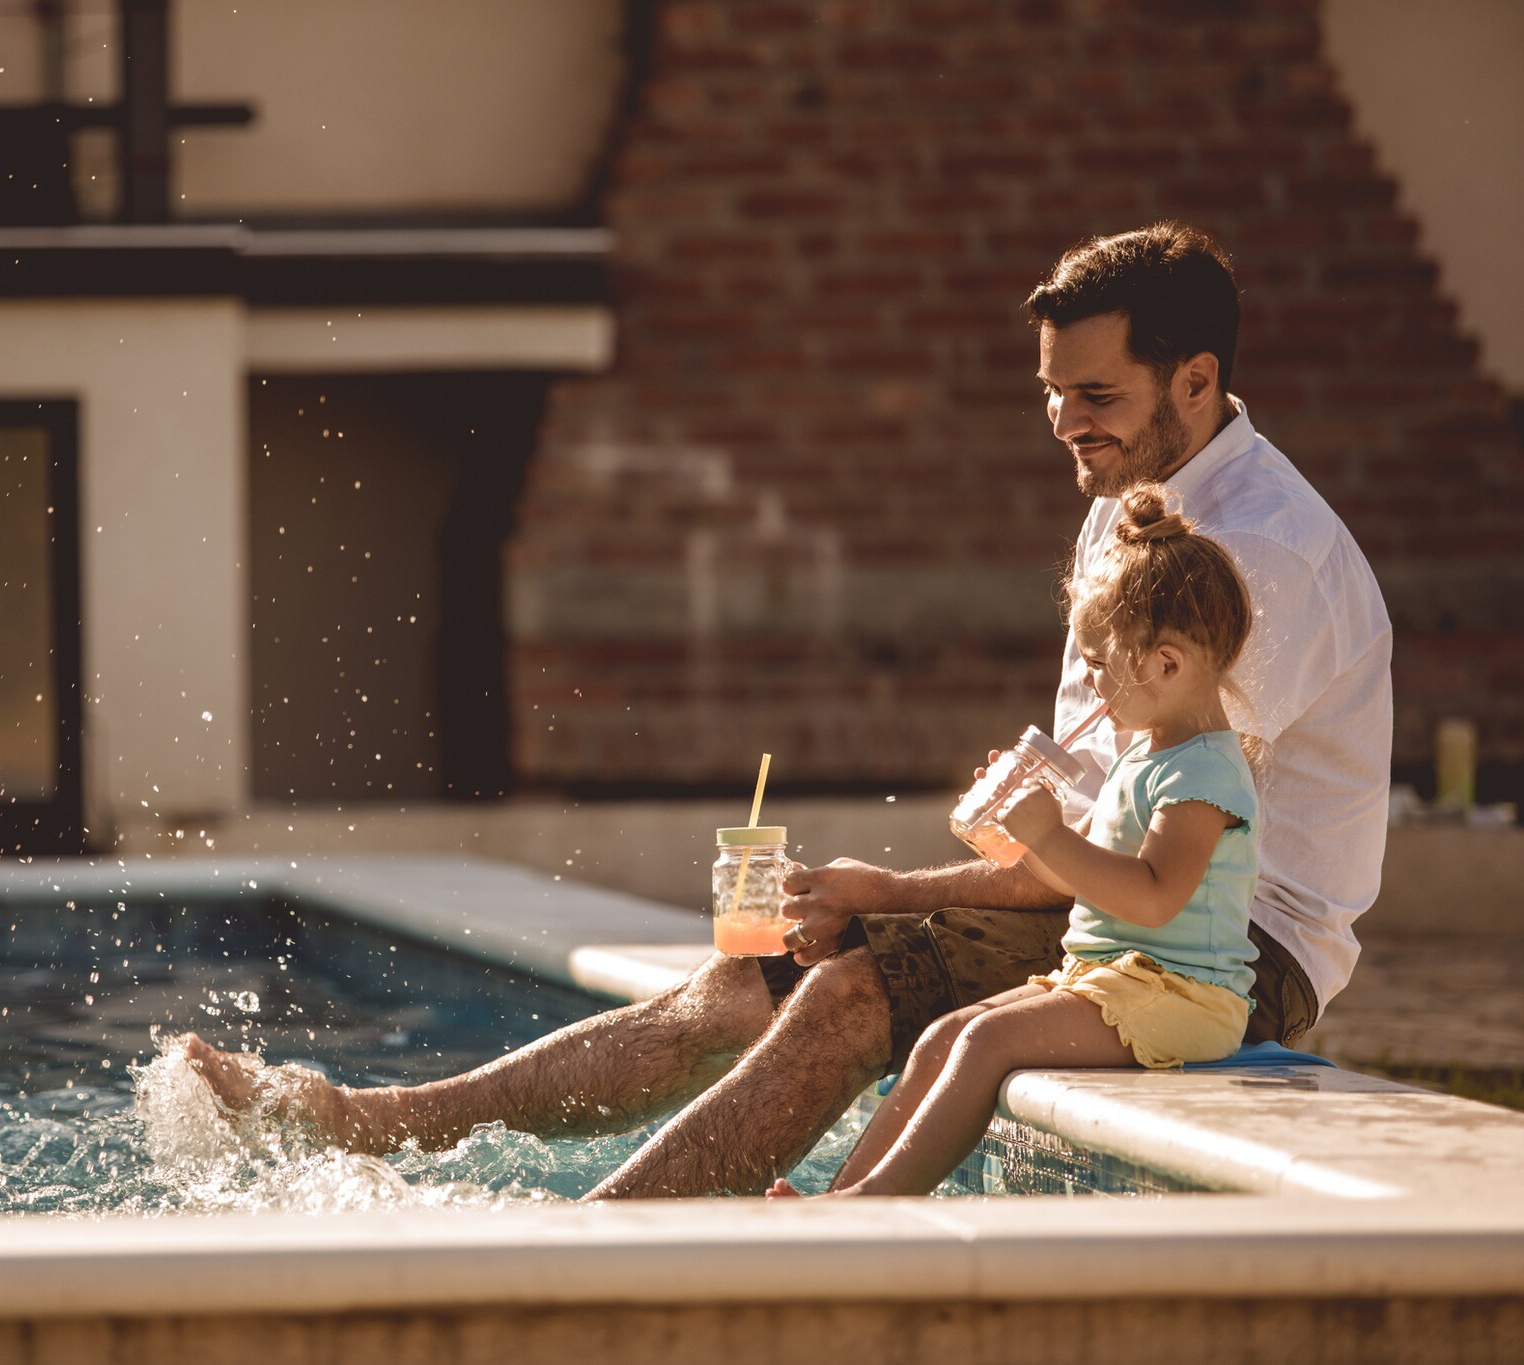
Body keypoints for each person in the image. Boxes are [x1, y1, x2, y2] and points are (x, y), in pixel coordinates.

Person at [184, 221, 1392, 1199]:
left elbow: (1141, 863)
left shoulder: (1255, 561)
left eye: (1094, 394)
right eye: (1051, 393)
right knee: (742, 974)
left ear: (1195, 380)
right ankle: (376, 1120)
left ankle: (605, 1261)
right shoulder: (1134, 499)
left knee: (845, 992)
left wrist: (891, 892)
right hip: (1111, 900)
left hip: (1225, 947)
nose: (1065, 423)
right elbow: (1079, 807)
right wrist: (959, 847)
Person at [770, 483, 1259, 1198]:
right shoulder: (1146, 750)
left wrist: (1050, 832)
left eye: (1100, 662)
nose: (1091, 683)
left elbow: (1154, 899)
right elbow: (1069, 878)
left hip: (1182, 996)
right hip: (1110, 978)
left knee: (983, 1042)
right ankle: (847, 1192)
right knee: (944, 1034)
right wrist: (1015, 835)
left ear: (1167, 663)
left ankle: (861, 1210)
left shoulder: (1205, 773)